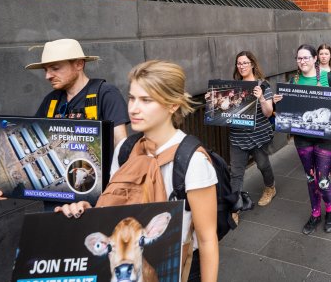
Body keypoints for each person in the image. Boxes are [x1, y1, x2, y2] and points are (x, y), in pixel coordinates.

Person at [55, 60, 219, 281]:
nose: (133, 108)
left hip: (177, 270)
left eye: (146, 100)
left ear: (172, 105)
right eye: (131, 98)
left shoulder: (193, 161)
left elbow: (208, 240)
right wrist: (87, 211)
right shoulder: (125, 149)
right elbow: (117, 209)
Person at [273, 45, 331, 235]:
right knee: (310, 177)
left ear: (315, 58)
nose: (302, 61)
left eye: (306, 57)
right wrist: (278, 102)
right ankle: (315, 213)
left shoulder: (330, 77)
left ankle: (330, 209)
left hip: (325, 138)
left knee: (322, 180)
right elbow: (286, 111)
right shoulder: (292, 81)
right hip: (302, 137)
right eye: (299, 58)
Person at [27, 38, 129, 146]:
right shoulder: (51, 100)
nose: (47, 76)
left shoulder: (106, 94)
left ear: (79, 64)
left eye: (55, 68)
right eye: (45, 70)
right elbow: (34, 137)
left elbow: (120, 144)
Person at [226, 52, 277, 224]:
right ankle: (235, 208)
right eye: (239, 63)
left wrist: (261, 97)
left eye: (245, 63)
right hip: (237, 136)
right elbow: (225, 111)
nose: (242, 66)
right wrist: (213, 103)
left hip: (259, 136)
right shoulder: (232, 87)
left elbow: (269, 112)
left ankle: (270, 188)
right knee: (236, 173)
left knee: (263, 165)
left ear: (253, 64)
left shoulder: (263, 85)